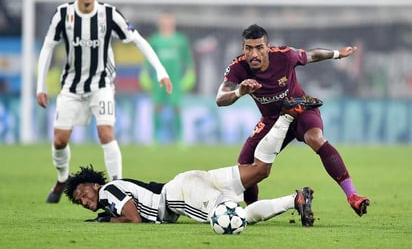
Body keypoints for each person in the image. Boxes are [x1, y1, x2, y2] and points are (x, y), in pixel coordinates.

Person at [64, 97, 321, 226]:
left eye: (83, 193)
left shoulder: (108, 192)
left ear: (95, 185)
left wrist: (106, 220)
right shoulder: (109, 197)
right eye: (80, 202)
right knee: (260, 169)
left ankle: (292, 200)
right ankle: (286, 117)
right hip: (189, 181)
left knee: (234, 218)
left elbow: (134, 218)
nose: (85, 201)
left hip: (177, 196)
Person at [36, 0, 172, 204]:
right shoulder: (63, 15)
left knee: (106, 133)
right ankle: (61, 178)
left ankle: (118, 188)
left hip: (102, 84)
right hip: (71, 86)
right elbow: (47, 48)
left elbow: (138, 40)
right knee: (59, 140)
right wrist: (40, 85)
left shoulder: (109, 14)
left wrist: (161, 71)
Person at [215, 24, 370, 217]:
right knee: (246, 168)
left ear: (268, 47)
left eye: (259, 48)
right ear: (243, 49)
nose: (254, 54)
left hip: (299, 111)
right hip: (272, 120)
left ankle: (353, 196)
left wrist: (337, 54)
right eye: (249, 48)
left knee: (315, 138)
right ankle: (253, 211)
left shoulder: (284, 56)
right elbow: (220, 98)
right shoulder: (238, 67)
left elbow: (312, 55)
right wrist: (239, 91)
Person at [139, 11, 195, 144]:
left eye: (169, 21)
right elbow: (147, 60)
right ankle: (155, 138)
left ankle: (180, 138)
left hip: (175, 79)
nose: (166, 24)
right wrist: (144, 74)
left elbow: (188, 61)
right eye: (164, 21)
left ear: (173, 23)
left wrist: (190, 74)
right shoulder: (155, 40)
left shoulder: (180, 40)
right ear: (160, 23)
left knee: (177, 107)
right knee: (157, 106)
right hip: (158, 79)